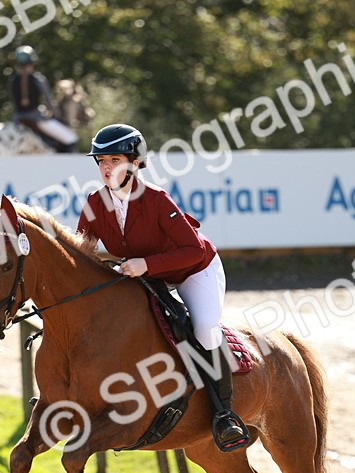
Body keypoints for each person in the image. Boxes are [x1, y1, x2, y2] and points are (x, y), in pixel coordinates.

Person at [75, 124, 250, 452]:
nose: (107, 168)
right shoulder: (96, 202)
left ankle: (225, 415)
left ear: (135, 163)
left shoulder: (156, 199)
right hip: (148, 274)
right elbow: (81, 251)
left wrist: (145, 264)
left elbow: (193, 250)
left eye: (115, 160)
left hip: (194, 270)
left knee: (204, 328)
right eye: (101, 161)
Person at [9, 46, 77, 153]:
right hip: (36, 118)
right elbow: (49, 99)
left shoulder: (12, 80)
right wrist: (56, 115)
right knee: (70, 139)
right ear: (32, 62)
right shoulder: (37, 79)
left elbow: (13, 101)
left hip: (17, 118)